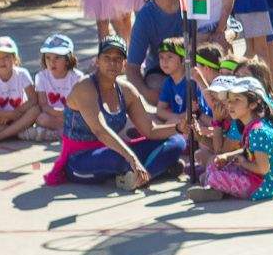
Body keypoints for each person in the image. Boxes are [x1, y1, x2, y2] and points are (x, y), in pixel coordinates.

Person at [46, 36, 186, 190]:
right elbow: (100, 130)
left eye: (118, 59)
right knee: (120, 158)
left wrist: (179, 128)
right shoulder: (84, 87)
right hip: (80, 159)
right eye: (107, 58)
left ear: (124, 64)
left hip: (114, 149)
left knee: (177, 141)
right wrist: (132, 158)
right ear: (97, 61)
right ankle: (158, 168)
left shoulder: (127, 91)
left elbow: (150, 130)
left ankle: (144, 177)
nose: (112, 63)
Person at [189, 75, 273, 202]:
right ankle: (215, 190)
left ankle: (215, 189)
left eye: (237, 99)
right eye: (229, 100)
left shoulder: (258, 132)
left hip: (263, 186)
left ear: (253, 104)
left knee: (213, 176)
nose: (230, 105)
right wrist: (227, 156)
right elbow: (247, 150)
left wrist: (243, 163)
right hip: (255, 177)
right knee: (214, 166)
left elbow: (263, 169)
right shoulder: (250, 126)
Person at [125, 0, 186, 98]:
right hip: (161, 70)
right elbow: (132, 68)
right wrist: (146, 93)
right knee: (157, 87)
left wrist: (226, 34)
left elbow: (229, 26)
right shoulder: (145, 16)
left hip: (195, 67)